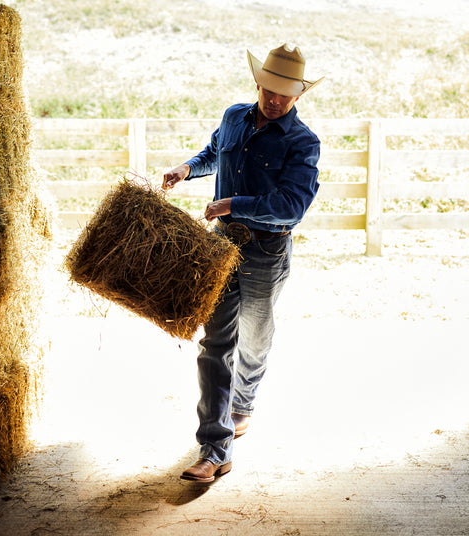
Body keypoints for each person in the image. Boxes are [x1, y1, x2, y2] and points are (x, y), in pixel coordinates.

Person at [163, 44, 324, 483]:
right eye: (269, 90)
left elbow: (291, 206)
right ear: (258, 83)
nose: (274, 100)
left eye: (284, 95)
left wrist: (236, 203)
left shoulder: (302, 142)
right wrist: (186, 168)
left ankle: (243, 404)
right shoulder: (235, 116)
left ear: (297, 96)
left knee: (254, 339)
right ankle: (214, 450)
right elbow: (215, 152)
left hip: (266, 251)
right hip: (221, 248)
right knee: (215, 344)